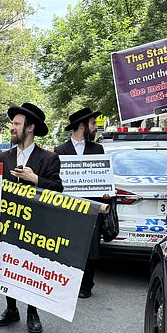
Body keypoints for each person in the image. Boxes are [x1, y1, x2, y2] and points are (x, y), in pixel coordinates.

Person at [0, 103, 63, 333]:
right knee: (8, 266)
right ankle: (11, 308)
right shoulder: (3, 157)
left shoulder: (48, 159)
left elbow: (58, 189)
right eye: (12, 123)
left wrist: (35, 179)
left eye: (16, 124)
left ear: (30, 127)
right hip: (9, 223)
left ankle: (32, 312)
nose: (12, 128)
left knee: (32, 267)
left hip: (36, 225)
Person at [54, 107, 104, 298]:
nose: (96, 127)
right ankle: (68, 283)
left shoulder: (98, 149)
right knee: (69, 247)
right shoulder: (60, 151)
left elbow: (103, 178)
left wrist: (106, 192)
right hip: (69, 208)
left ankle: (86, 285)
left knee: (91, 247)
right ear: (82, 126)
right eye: (93, 124)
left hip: (92, 206)